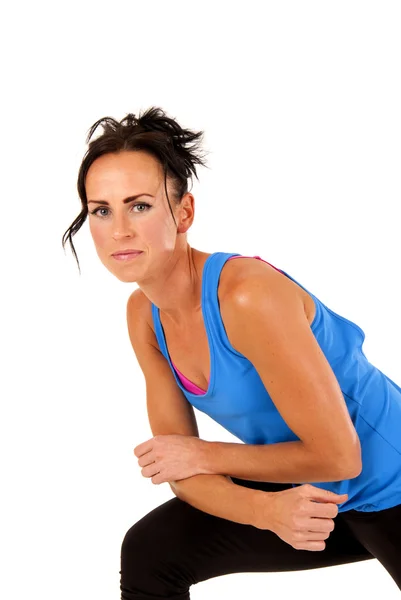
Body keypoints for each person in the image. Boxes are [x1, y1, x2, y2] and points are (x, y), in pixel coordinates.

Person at [62, 106, 401, 598]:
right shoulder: (144, 317)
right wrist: (266, 511)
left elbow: (339, 455)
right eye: (101, 210)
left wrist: (202, 454)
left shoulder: (246, 297)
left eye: (139, 205)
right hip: (312, 491)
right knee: (151, 552)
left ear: (183, 213)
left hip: (389, 485)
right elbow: (178, 470)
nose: (119, 230)